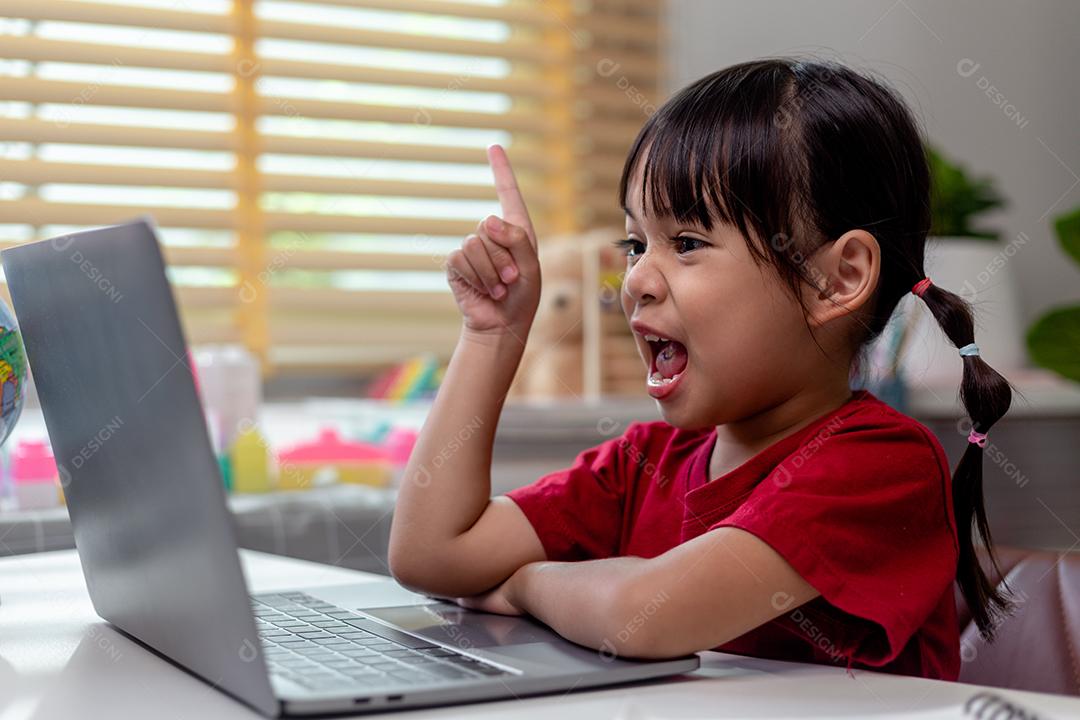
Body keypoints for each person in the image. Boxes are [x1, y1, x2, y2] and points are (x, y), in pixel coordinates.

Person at [388, 58, 1013, 681]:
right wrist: (492, 335)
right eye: (635, 245)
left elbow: (644, 615)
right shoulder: (643, 464)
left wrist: (524, 586)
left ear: (837, 279)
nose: (635, 280)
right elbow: (433, 555)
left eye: (686, 243)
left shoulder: (881, 464)